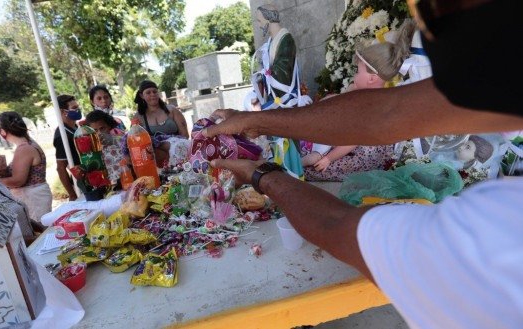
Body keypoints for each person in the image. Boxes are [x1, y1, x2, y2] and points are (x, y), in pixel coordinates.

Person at [203, 0, 523, 327]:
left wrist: (261, 174)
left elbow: (337, 226)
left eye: (431, 8)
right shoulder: (504, 79)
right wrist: (256, 122)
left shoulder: (502, 237)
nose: (427, 22)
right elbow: (388, 114)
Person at [301, 19, 416, 181]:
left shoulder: (373, 104)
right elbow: (340, 102)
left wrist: (330, 158)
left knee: (319, 169)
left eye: (357, 70)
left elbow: (353, 140)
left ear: (371, 78)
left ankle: (318, 157)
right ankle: (315, 152)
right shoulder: (361, 91)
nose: (354, 75)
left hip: (364, 152)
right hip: (351, 141)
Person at [248, 4, 312, 181]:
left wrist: (266, 75)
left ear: (268, 19)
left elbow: (284, 72)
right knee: (276, 140)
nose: (260, 24)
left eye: (260, 21)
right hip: (273, 100)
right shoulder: (270, 42)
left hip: (283, 99)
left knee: (287, 140)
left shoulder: (286, 39)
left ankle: (293, 178)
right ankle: (283, 177)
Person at [0, 111, 52, 224]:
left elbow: (18, 181)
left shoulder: (23, 149)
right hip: (35, 197)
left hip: (33, 199)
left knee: (41, 233)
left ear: (3, 131)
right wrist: (2, 172)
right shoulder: (28, 144)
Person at [133, 80, 189, 166]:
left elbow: (185, 135)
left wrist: (170, 146)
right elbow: (136, 142)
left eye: (155, 91)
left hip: (180, 151)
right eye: (148, 92)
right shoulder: (138, 117)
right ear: (141, 96)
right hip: (157, 159)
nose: (152, 94)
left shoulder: (172, 110)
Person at [55, 94, 82, 201]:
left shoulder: (75, 127)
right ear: (62, 112)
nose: (78, 110)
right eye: (74, 108)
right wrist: (72, 194)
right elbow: (61, 168)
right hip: (79, 182)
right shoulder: (62, 135)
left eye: (77, 107)